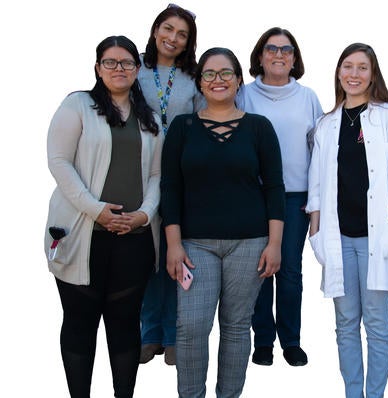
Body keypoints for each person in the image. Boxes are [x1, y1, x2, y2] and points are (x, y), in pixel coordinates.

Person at [160, 47, 285, 397]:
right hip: (194, 244)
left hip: (250, 243)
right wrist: (173, 244)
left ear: (239, 79)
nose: (218, 80)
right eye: (209, 74)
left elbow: (275, 188)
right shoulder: (183, 129)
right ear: (199, 82)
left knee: (235, 327)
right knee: (192, 327)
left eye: (226, 73)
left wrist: (274, 244)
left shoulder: (259, 128)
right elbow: (170, 188)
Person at [44, 35, 163, 397]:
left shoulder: (150, 119)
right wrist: (97, 210)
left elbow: (158, 175)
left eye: (126, 62)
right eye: (109, 62)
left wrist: (144, 215)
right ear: (97, 68)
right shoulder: (78, 106)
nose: (118, 68)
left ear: (137, 69)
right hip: (82, 236)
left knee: (125, 325)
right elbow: (59, 162)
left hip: (135, 239)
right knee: (80, 323)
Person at [306, 43, 388, 398]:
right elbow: (316, 183)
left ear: (373, 74)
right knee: (345, 325)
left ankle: (376, 394)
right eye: (347, 66)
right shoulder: (326, 124)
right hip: (338, 238)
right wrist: (316, 231)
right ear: (339, 72)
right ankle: (353, 392)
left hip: (376, 239)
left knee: (378, 326)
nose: (354, 74)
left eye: (362, 68)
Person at [238, 26, 323, 367]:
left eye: (286, 50)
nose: (278, 55)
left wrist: (315, 200)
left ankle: (291, 340)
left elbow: (319, 151)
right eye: (271, 49)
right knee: (259, 269)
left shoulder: (308, 97)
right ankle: (263, 341)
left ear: (294, 58)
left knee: (289, 269)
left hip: (294, 198)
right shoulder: (243, 95)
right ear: (260, 56)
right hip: (253, 196)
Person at [137, 2, 203, 367]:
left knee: (177, 255)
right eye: (168, 29)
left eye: (182, 34)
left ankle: (176, 334)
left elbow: (203, 120)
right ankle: (150, 333)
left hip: (180, 175)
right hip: (140, 174)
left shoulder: (193, 77)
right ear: (155, 29)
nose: (173, 38)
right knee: (147, 256)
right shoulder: (136, 69)